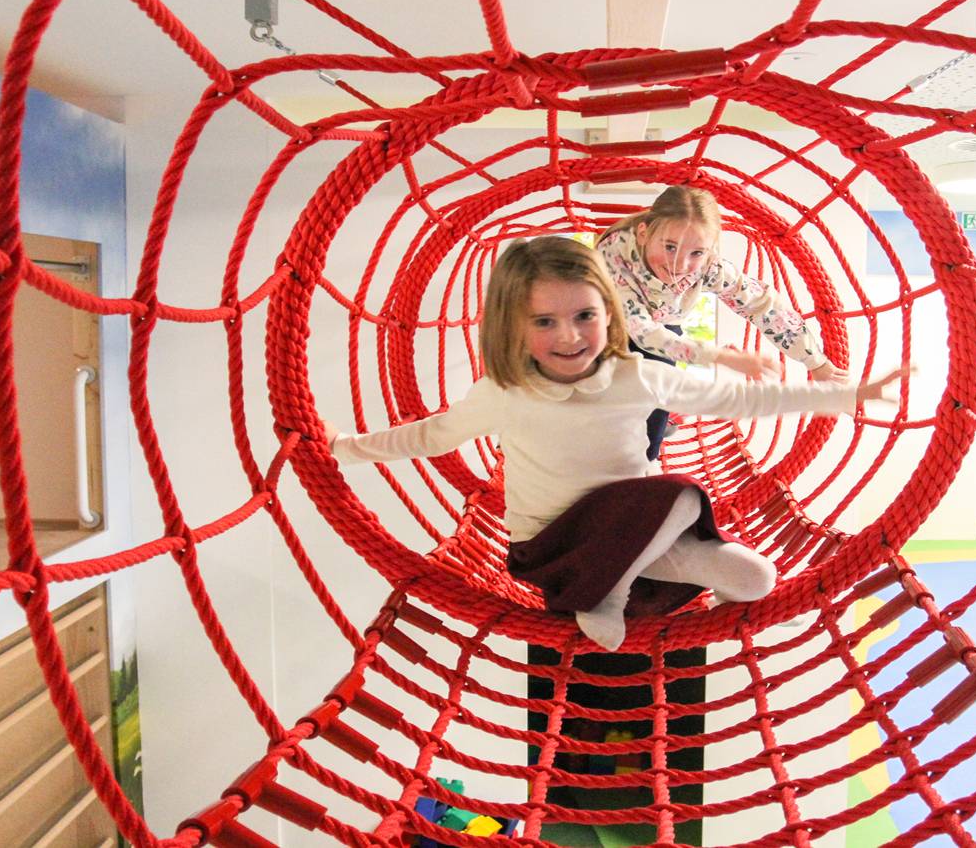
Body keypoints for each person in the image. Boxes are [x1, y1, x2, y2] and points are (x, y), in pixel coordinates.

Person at [323, 236, 905, 650]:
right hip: (554, 552)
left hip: (637, 542)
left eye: (584, 314)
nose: (570, 335)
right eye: (543, 321)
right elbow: (432, 434)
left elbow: (739, 400)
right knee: (676, 495)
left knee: (757, 579)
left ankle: (624, 584)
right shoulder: (505, 392)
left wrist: (846, 395)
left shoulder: (637, 375)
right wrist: (346, 448)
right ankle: (601, 593)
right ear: (511, 327)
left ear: (611, 313)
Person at [596, 185, 848, 461]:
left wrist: (817, 364)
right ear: (644, 234)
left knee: (651, 426)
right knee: (607, 395)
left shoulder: (710, 267)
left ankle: (659, 431)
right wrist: (720, 356)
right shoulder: (614, 254)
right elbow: (642, 332)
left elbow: (763, 305)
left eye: (696, 253)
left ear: (710, 250)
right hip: (611, 324)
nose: (679, 264)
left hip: (665, 326)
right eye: (669, 247)